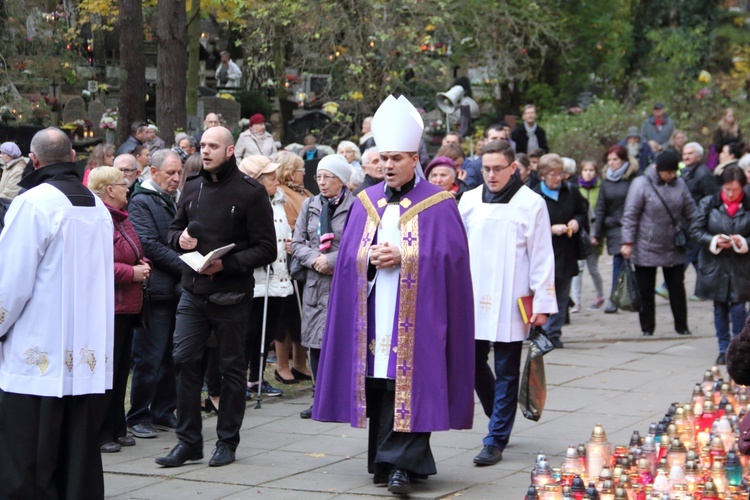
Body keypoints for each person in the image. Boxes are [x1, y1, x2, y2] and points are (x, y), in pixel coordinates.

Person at [312, 95, 475, 495]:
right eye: (383, 158)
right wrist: (368, 256)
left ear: (414, 158)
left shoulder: (438, 204)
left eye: (396, 158)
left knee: (415, 382)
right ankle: (385, 463)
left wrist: (407, 256)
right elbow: (349, 254)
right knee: (381, 384)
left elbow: (453, 258)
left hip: (420, 313)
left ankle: (401, 464)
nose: (387, 165)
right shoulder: (367, 202)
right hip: (375, 309)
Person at [0, 127, 114, 498]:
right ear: (71, 158)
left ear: (33, 161)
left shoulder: (33, 203)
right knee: (77, 454)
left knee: (30, 457)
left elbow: (11, 280)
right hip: (86, 356)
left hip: (38, 353)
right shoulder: (98, 206)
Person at [156, 126, 276, 468]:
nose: (204, 151)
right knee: (183, 359)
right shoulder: (191, 186)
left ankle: (227, 441)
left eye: (212, 146)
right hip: (192, 292)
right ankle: (189, 441)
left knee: (230, 370)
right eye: (202, 145)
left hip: (232, 295)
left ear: (230, 150)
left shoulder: (251, 192)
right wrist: (180, 240)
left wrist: (227, 265)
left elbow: (267, 248)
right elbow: (173, 230)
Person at [458, 139, 556, 466]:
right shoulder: (469, 200)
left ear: (513, 167)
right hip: (472, 295)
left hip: (512, 299)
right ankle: (496, 410)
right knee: (470, 362)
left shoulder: (532, 203)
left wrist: (542, 304)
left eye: (498, 168)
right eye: (486, 168)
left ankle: (496, 438)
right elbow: (458, 249)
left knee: (507, 370)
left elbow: (542, 256)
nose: (491, 175)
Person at [88, 167, 149, 453]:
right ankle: (100, 432)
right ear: (109, 190)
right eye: (122, 184)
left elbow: (135, 250)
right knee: (106, 373)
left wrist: (143, 264)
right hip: (110, 307)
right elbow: (94, 264)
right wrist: (131, 272)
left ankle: (117, 426)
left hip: (127, 305)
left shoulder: (121, 219)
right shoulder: (97, 220)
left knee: (121, 369)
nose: (128, 187)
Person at [291, 154, 354, 418]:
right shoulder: (310, 204)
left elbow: (358, 244)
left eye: (328, 177)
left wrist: (330, 259)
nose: (322, 182)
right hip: (316, 281)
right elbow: (296, 244)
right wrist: (315, 259)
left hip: (343, 280)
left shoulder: (356, 207)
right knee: (315, 340)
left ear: (342, 180)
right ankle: (319, 397)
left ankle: (346, 397)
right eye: (318, 177)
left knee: (343, 338)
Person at [126, 150, 183, 439]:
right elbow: (147, 243)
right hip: (157, 292)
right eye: (170, 173)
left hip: (176, 290)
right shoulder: (142, 201)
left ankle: (164, 410)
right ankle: (138, 415)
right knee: (150, 356)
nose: (176, 178)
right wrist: (185, 265)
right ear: (153, 172)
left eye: (179, 173)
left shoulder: (176, 198)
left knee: (172, 356)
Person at [620, 150, 697, 337]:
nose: (671, 176)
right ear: (658, 169)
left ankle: (682, 326)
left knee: (677, 289)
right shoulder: (641, 184)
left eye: (673, 173)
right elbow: (630, 215)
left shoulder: (680, 185)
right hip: (646, 244)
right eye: (668, 172)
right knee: (645, 291)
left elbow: (691, 210)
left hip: (673, 245)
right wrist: (627, 242)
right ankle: (647, 328)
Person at [238, 156, 289, 398]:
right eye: (270, 177)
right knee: (250, 332)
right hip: (257, 278)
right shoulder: (245, 202)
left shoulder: (278, 202)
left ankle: (257, 379)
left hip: (278, 278)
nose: (276, 181)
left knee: (267, 332)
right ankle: (241, 381)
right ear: (257, 180)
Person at [690, 165, 750, 365]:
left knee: (739, 308)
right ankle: (723, 348)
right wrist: (713, 240)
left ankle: (738, 349)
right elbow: (695, 230)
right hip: (716, 265)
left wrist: (744, 242)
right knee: (720, 308)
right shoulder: (709, 203)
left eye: (735, 189)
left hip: (741, 266)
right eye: (727, 189)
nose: (730, 194)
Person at [533, 153, 589, 348]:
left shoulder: (571, 191)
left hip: (566, 251)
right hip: (542, 254)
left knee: (562, 294)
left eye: (560, 174)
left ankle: (553, 334)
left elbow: (582, 211)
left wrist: (577, 222)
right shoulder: (532, 195)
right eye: (552, 174)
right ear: (541, 175)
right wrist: (549, 229)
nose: (557, 178)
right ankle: (539, 333)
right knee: (542, 294)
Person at [275, 151, 314, 382]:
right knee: (286, 315)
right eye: (301, 171)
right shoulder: (283, 194)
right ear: (290, 173)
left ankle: (300, 363)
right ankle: (282, 366)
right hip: (288, 260)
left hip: (305, 257)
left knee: (303, 315)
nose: (304, 175)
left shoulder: (304, 192)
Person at [592, 145, 640, 313]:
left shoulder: (634, 179)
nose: (611, 163)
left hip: (633, 224)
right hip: (613, 227)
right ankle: (614, 299)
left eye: (615, 160)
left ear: (624, 160)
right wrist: (596, 233)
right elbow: (601, 208)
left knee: (637, 263)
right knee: (618, 261)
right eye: (609, 160)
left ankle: (636, 295)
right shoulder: (606, 181)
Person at [572, 159, 605, 312]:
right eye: (585, 170)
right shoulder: (575, 188)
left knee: (593, 268)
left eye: (591, 170)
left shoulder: (601, 188)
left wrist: (596, 235)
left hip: (595, 235)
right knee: (578, 270)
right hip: (579, 236)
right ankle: (576, 301)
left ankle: (600, 296)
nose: (588, 173)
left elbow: (600, 213)